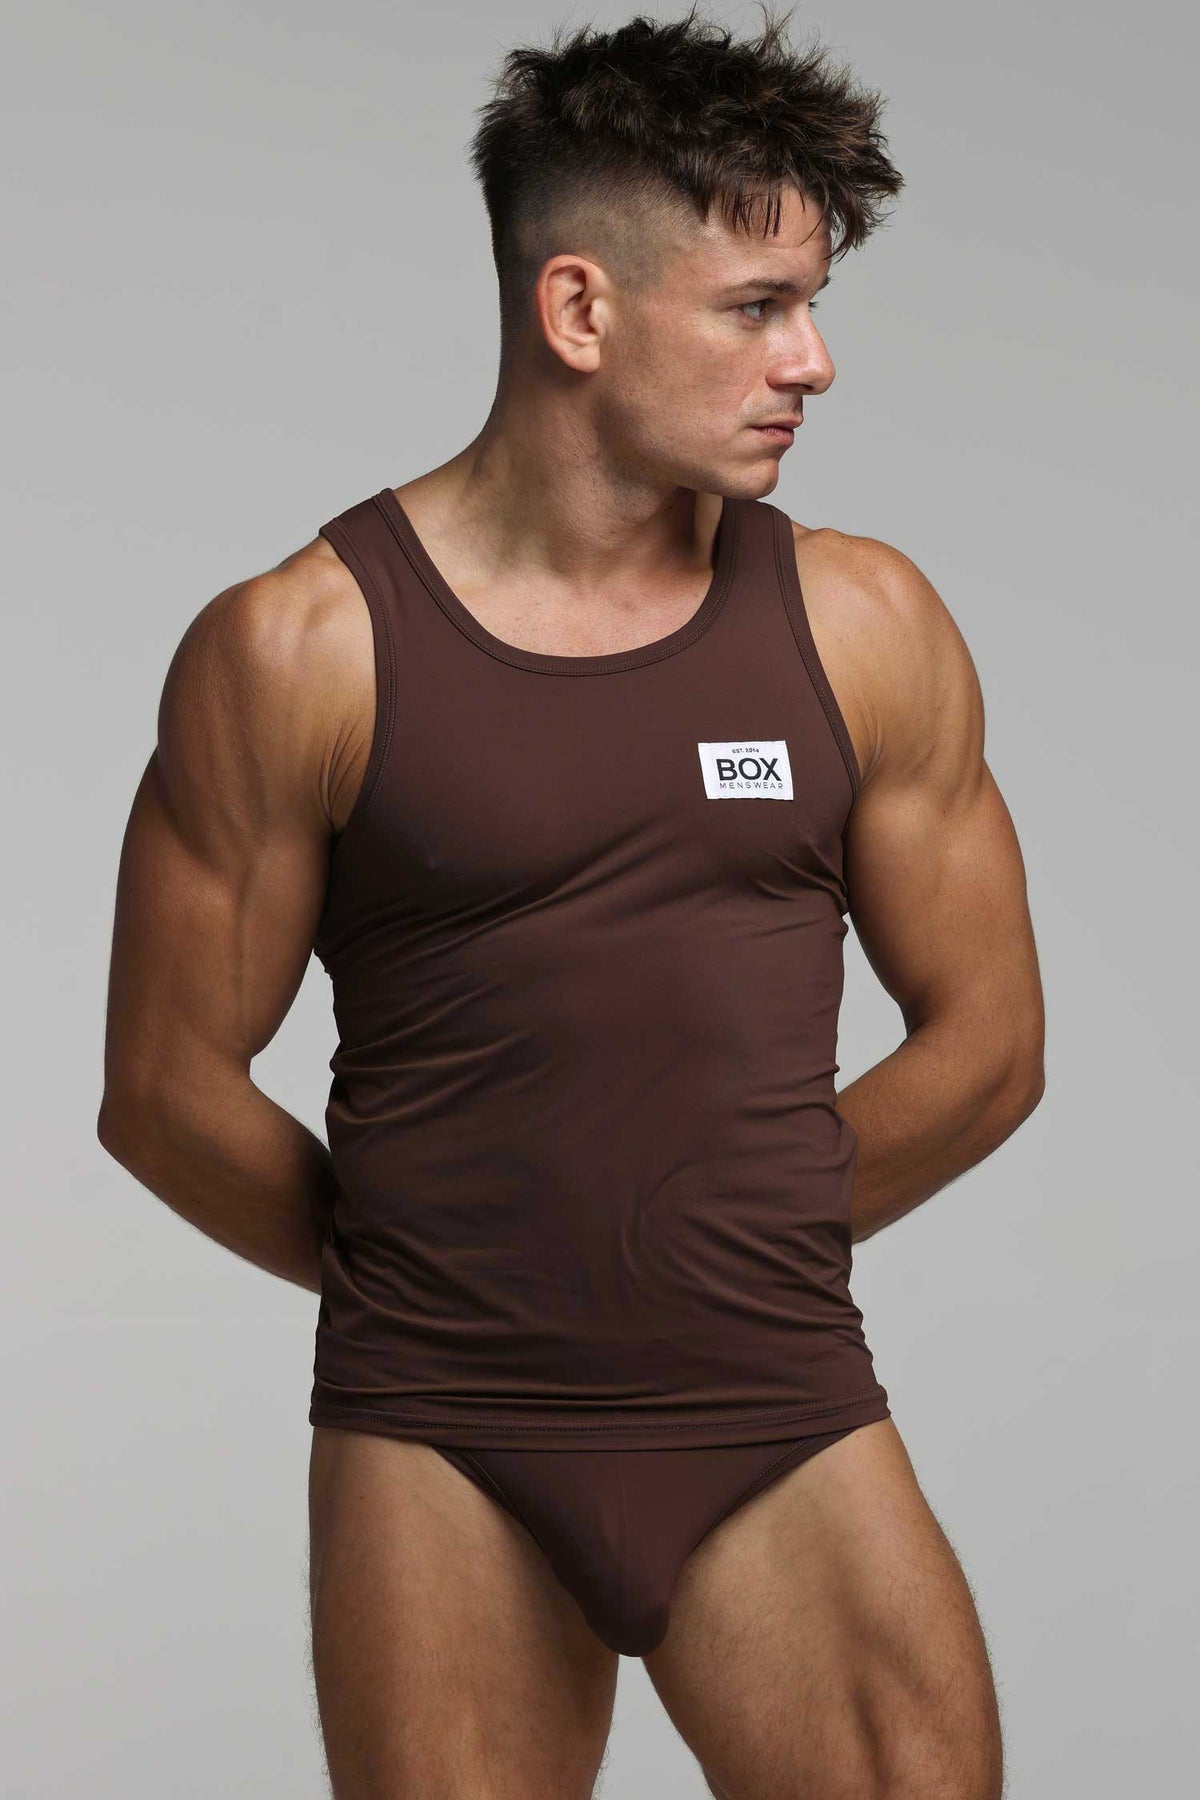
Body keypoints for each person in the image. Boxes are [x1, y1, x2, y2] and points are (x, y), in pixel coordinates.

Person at [98, 7, 1045, 1797]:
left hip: (766, 1398)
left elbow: (992, 1042)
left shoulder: (863, 626)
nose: (814, 361)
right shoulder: (300, 649)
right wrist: (444, 1278)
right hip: (440, 1433)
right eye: (757, 307)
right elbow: (162, 1090)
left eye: (811, 303)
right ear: (580, 310)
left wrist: (725, 1246)